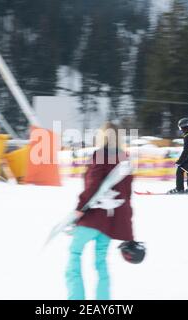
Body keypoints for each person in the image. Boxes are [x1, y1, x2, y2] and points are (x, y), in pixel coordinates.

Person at [66, 122, 139, 300]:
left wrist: (79, 210)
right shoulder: (125, 159)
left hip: (92, 218)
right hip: (109, 223)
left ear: (103, 136)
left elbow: (92, 187)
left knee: (74, 255)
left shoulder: (99, 155)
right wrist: (128, 229)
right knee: (101, 262)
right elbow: (127, 197)